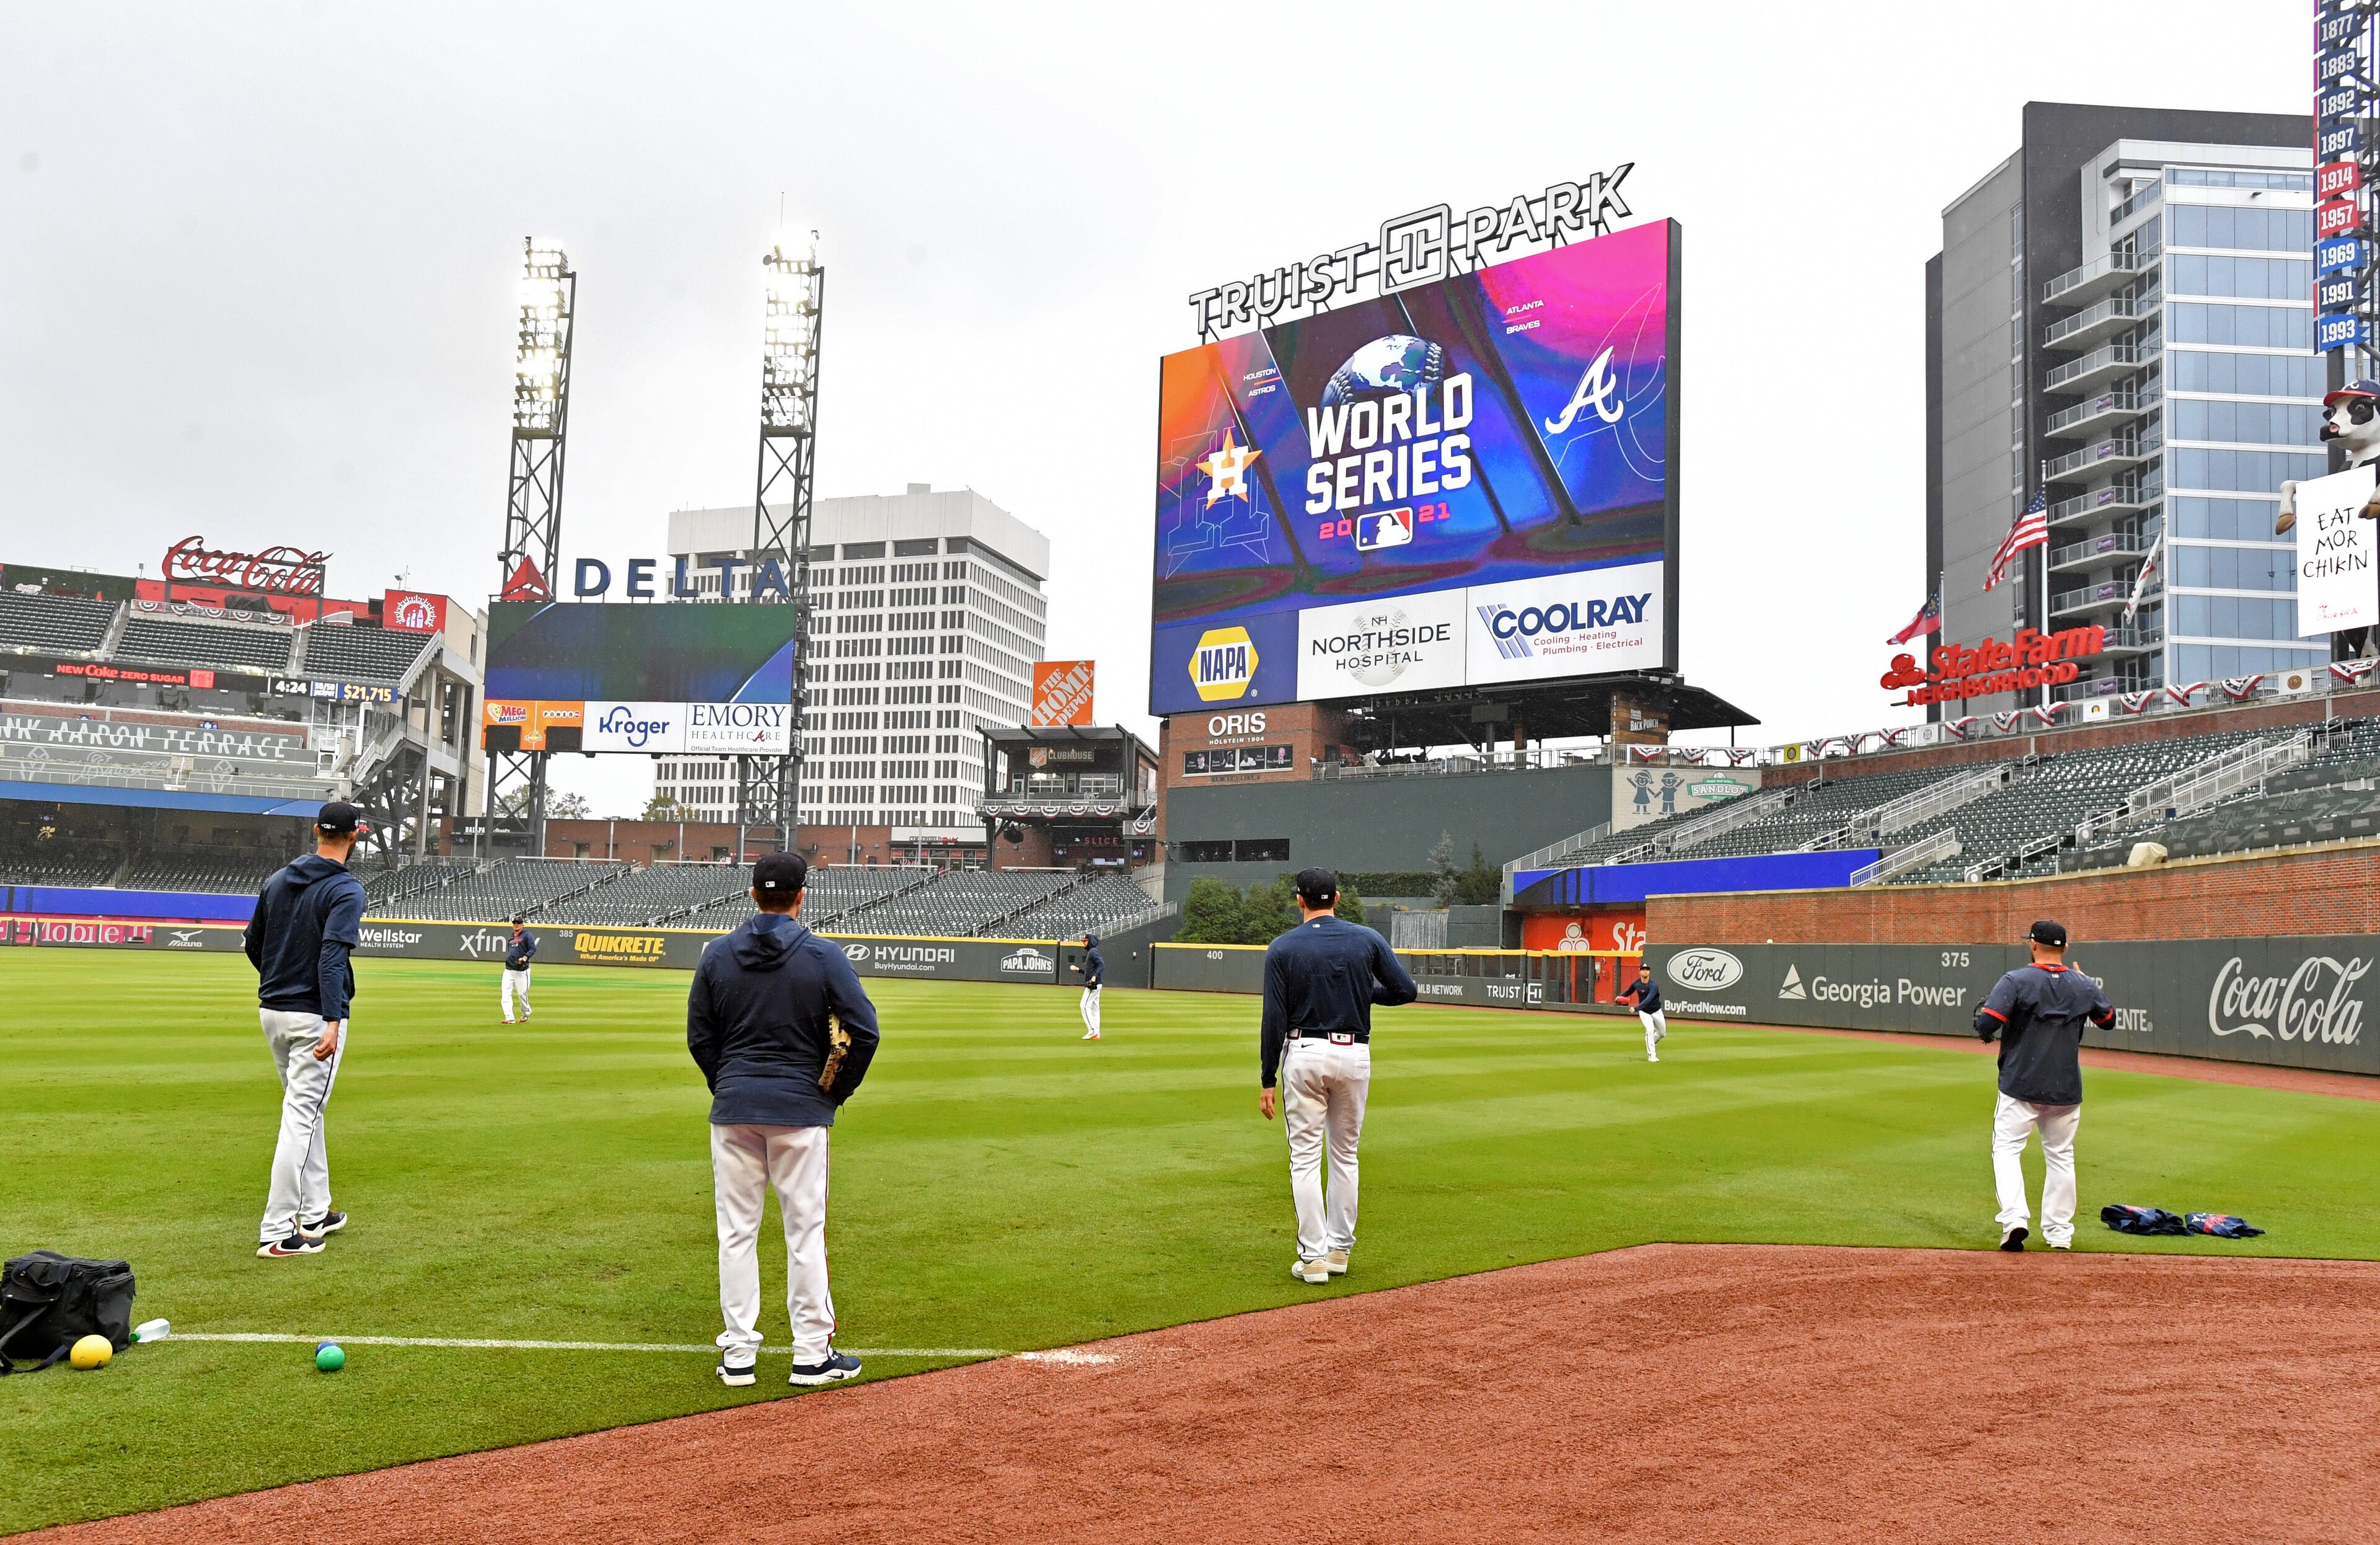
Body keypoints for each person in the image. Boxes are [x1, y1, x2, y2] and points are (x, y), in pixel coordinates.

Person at [687, 851, 880, 1388]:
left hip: (734, 1109)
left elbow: (701, 1039)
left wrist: (727, 1085)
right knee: (805, 1233)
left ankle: (739, 1356)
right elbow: (865, 1033)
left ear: (752, 894)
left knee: (736, 1234)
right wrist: (831, 1094)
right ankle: (811, 1355)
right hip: (799, 1111)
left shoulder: (717, 955)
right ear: (801, 896)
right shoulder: (823, 956)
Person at [1258, 867, 1416, 1285]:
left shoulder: (1282, 947)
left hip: (1304, 1052)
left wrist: (1267, 1078)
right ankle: (1339, 1251)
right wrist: (1366, 993)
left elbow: (1273, 1017)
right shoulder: (1367, 939)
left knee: (1306, 1159)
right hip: (1353, 1055)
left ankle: (1312, 1260)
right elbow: (1405, 990)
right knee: (1345, 1155)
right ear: (1338, 898)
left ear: (1300, 900)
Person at [242, 800, 369, 1259]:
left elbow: (252, 944)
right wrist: (333, 1019)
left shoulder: (277, 879)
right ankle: (277, 1230)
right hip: (314, 1015)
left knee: (306, 1112)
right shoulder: (346, 889)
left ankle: (317, 1211)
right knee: (300, 1116)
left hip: (273, 1011)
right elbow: (333, 957)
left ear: (316, 830)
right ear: (356, 834)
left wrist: (278, 984)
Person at [1973, 919, 2115, 1252]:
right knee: (2062, 1156)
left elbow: (1987, 1023)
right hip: (2065, 1088)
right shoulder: (2082, 984)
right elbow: (2107, 1021)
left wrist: (1986, 1023)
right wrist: (2087, 985)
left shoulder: (2017, 980)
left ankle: (2014, 1220)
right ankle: (2060, 1233)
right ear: (2065, 948)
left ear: (2033, 945)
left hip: (2020, 1084)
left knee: (2007, 1150)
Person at [1618, 959, 1667, 1062]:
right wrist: (1619, 997)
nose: (1645, 972)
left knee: (1662, 1033)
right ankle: (1652, 1055)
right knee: (1650, 1030)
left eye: (1647, 970)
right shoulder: (1636, 984)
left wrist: (1635, 1008)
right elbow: (1627, 993)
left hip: (1656, 1011)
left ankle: (1652, 1041)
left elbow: (1648, 999)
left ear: (1649, 972)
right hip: (1645, 1012)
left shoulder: (1654, 985)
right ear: (1640, 972)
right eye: (1643, 970)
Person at [501, 914, 538, 1024]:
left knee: (522, 994)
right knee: (506, 993)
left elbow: (533, 949)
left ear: (522, 925)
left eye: (518, 923)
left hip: (522, 970)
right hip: (509, 969)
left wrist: (525, 958)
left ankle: (526, 1012)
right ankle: (509, 1017)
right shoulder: (512, 937)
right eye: (514, 923)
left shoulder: (527, 935)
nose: (516, 925)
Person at [1072, 931, 1103, 1040]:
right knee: (1095, 1009)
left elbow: (1101, 965)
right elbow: (1090, 971)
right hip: (1097, 984)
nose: (1083, 943)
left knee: (1084, 1006)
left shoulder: (1093, 951)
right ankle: (1097, 1033)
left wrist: (1094, 976)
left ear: (1089, 942)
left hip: (1094, 985)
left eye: (1085, 941)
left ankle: (1092, 1031)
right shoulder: (1092, 952)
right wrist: (1079, 970)